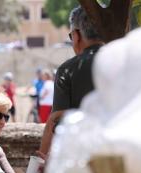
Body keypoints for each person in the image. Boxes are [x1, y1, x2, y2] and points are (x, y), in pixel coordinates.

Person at [40, 5, 105, 158]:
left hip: (81, 157)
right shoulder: (124, 62)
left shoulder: (67, 70)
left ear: (76, 36)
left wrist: (43, 160)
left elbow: (56, 121)